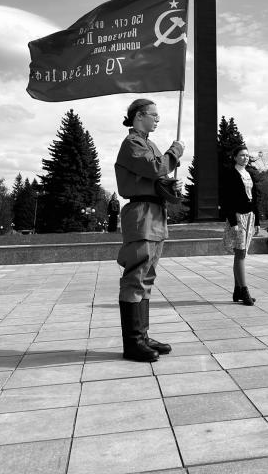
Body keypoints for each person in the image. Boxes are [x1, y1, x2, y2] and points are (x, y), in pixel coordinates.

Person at [115, 98, 185, 362]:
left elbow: (158, 178)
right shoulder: (132, 143)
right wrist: (175, 151)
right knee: (136, 276)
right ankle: (133, 343)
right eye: (153, 115)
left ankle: (142, 336)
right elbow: (156, 167)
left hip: (155, 213)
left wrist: (171, 187)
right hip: (141, 213)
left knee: (147, 276)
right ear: (138, 116)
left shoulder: (149, 144)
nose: (157, 119)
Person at [220, 145, 259, 305]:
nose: (245, 158)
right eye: (242, 155)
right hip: (237, 217)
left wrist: (257, 221)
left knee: (241, 254)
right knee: (240, 254)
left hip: (250, 217)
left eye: (247, 155)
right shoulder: (230, 174)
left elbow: (255, 199)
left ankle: (237, 290)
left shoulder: (249, 174)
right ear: (235, 157)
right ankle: (244, 290)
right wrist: (233, 222)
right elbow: (226, 200)